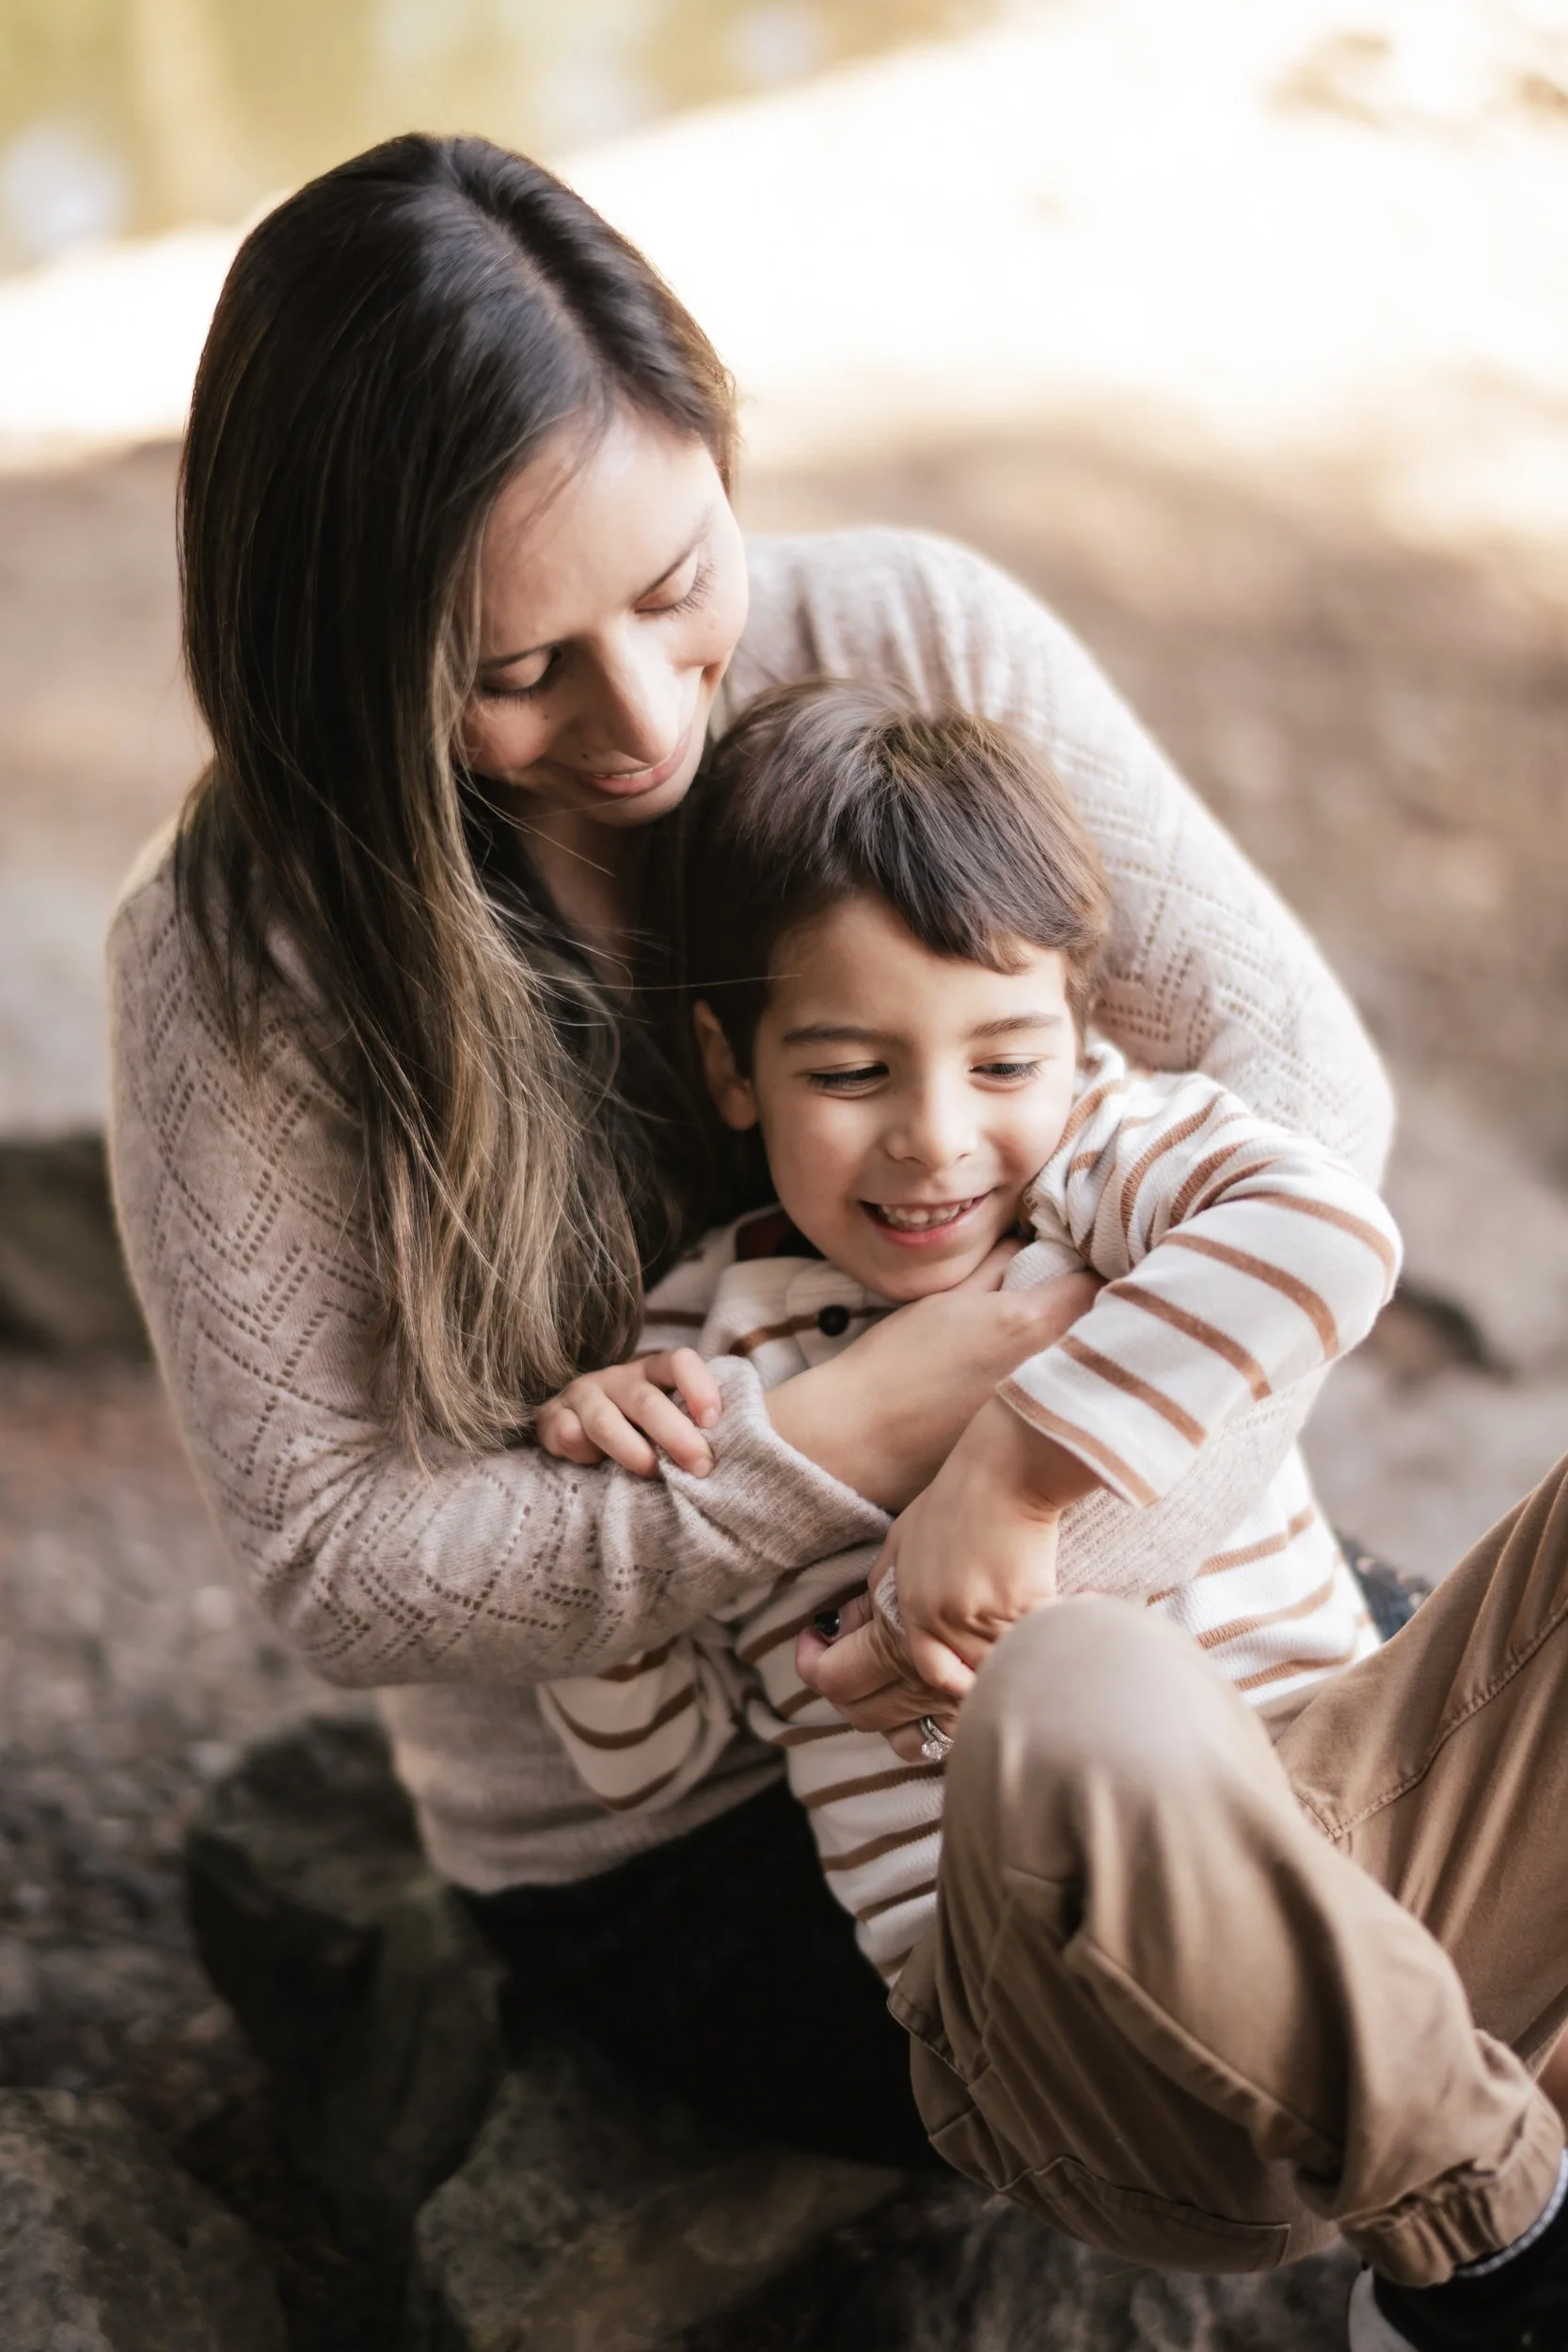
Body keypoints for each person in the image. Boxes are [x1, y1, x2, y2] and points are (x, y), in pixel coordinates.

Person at [102, 133, 1567, 2350]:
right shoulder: (245, 961)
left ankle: (1421, 2093)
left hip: (1191, 1639)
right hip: (738, 1836)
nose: (646, 724)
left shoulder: (902, 637)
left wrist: (1016, 1460)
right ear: (338, 649)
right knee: (1118, 1737)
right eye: (513, 673)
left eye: (678, 584)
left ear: (716, 446)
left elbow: (1304, 1112)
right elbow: (343, 1555)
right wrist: (859, 1441)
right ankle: (1496, 2224)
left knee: (1220, 1733)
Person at [533, 676, 1400, 1989]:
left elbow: (1329, 1229)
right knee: (1094, 1679)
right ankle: (1503, 2171)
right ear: (729, 1067)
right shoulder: (696, 1354)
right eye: (846, 1072)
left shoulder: (1113, 1163)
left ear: (1077, 1033)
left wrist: (1016, 1472)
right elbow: (643, 1760)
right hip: (1051, 1954)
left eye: (1002, 1064)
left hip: (1363, 1815)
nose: (935, 1137)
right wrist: (601, 1492)